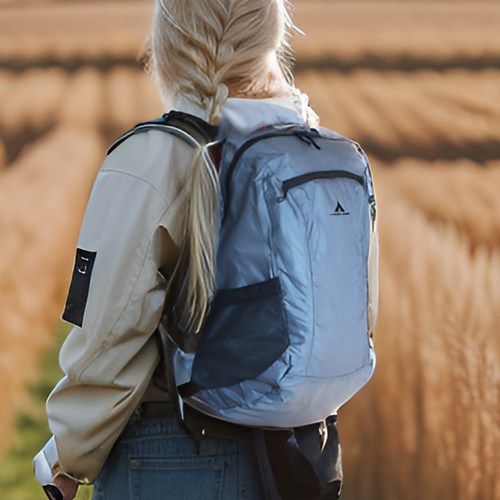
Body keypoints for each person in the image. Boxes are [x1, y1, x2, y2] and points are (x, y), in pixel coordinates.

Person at [34, 0, 379, 499]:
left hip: (171, 458)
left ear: (169, 41)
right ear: (269, 37)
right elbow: (359, 313)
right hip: (301, 461)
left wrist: (67, 456)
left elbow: (107, 337)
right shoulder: (324, 155)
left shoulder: (154, 156)